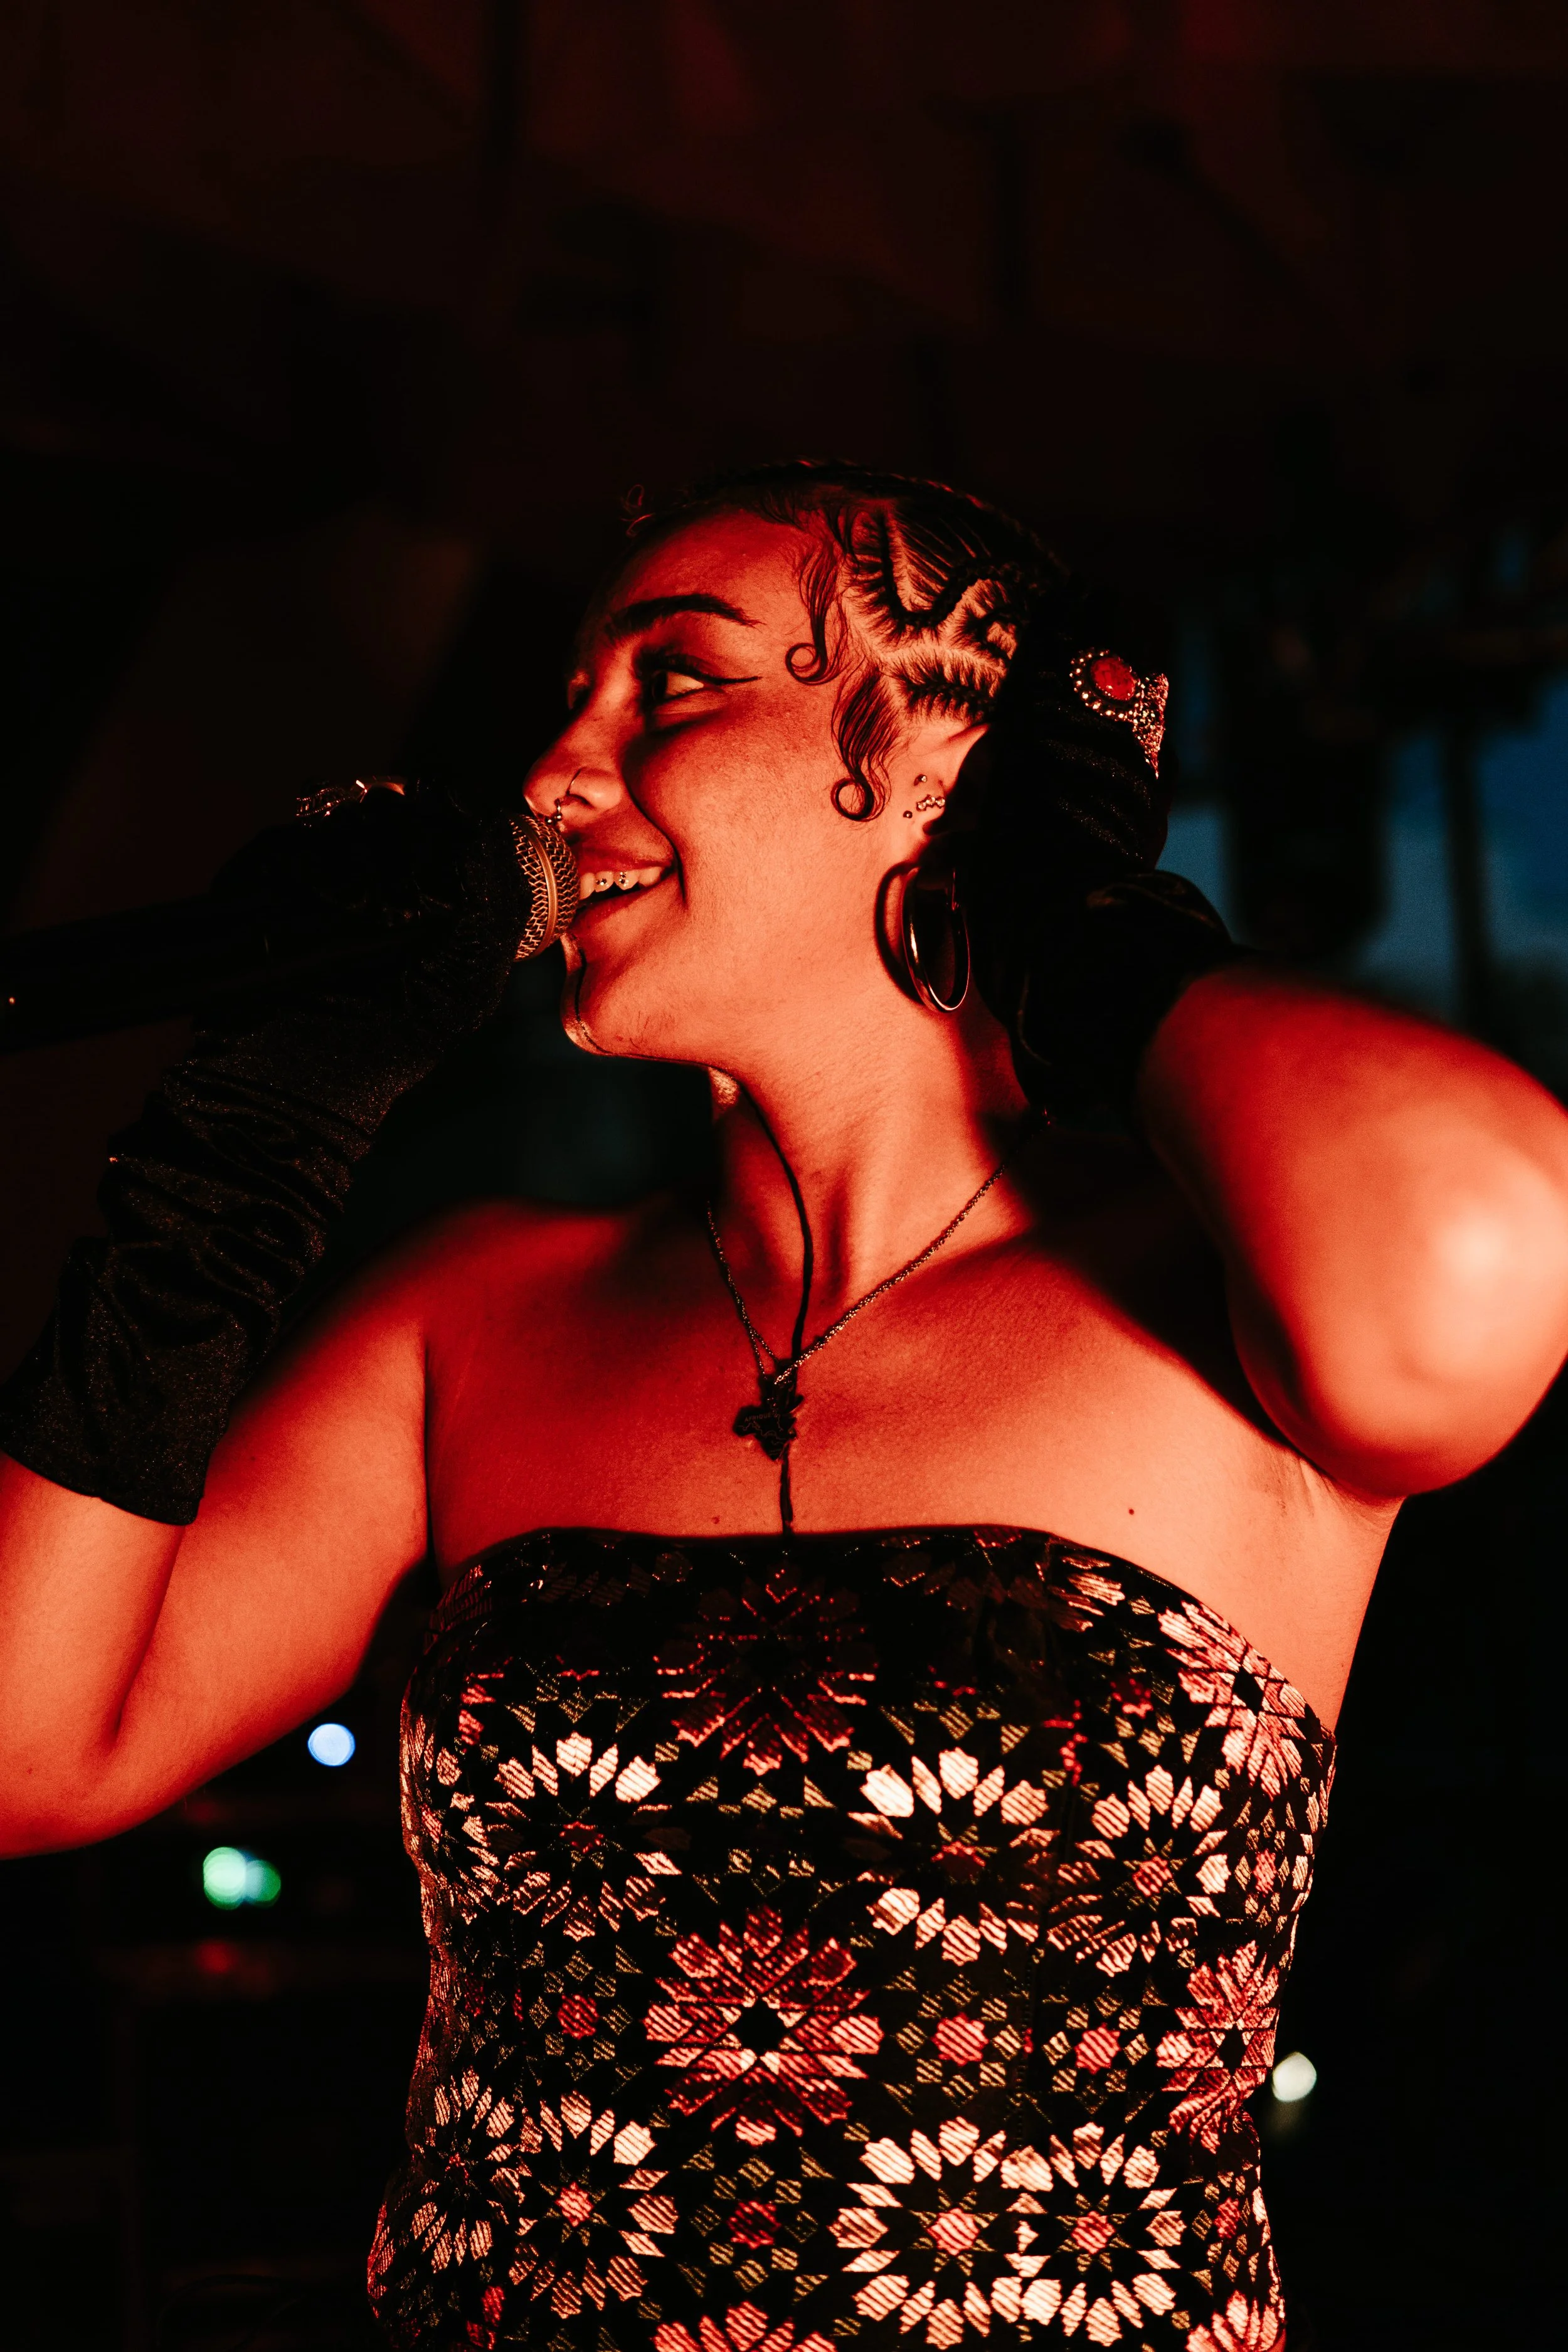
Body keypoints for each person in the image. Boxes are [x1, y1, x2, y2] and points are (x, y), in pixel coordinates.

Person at [3, 462, 1566, 2352]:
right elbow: (26, 1744)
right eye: (570, 704)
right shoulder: (477, 1309)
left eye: (669, 687)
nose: (553, 778)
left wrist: (1075, 916)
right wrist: (252, 1121)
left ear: (940, 774)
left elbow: (1479, 1264)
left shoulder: (1221, 1287)